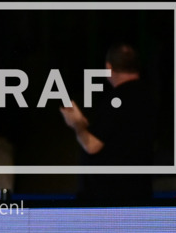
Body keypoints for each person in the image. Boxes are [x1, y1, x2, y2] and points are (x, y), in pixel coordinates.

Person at [59, 42, 155, 201]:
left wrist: (77, 125)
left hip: (109, 199)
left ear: (109, 67)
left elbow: (92, 146)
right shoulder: (147, 97)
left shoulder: (117, 100)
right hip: (140, 193)